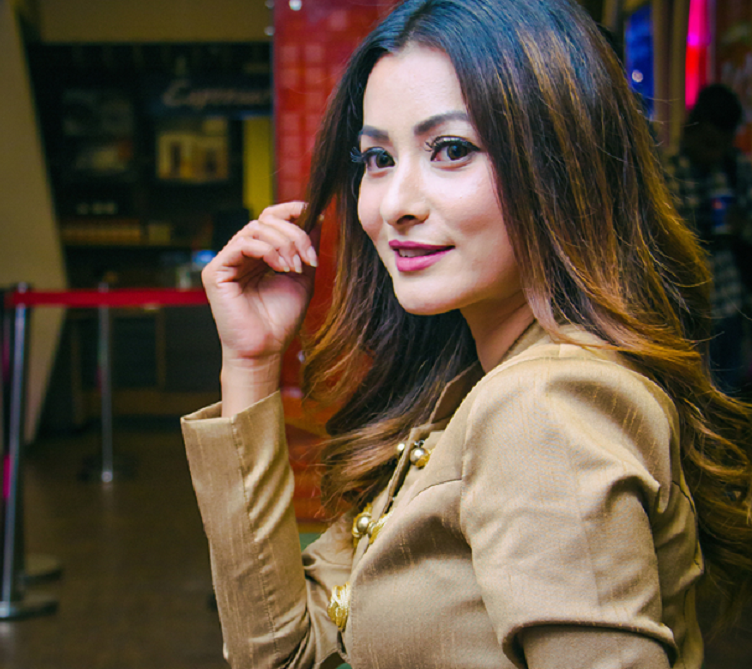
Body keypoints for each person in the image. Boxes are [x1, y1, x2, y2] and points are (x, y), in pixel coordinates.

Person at [182, 1, 752, 668]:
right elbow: (282, 652)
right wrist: (250, 360)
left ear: (561, 162)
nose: (396, 203)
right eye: (377, 158)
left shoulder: (544, 408)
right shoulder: (467, 387)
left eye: (451, 150)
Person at [665, 84, 752, 393]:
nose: (714, 153)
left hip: (730, 302)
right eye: (708, 143)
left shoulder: (735, 168)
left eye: (722, 145)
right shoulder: (667, 171)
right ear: (692, 128)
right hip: (687, 310)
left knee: (730, 394)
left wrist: (742, 226)